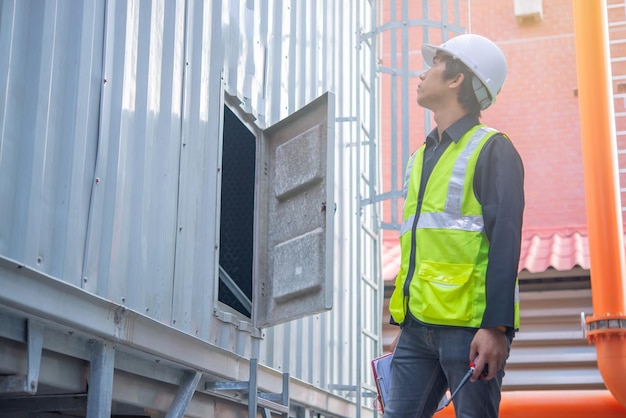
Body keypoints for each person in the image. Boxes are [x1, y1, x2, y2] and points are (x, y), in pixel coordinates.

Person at [385, 33, 525, 418]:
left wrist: (496, 328)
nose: (422, 72)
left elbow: (506, 242)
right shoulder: (420, 157)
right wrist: (406, 320)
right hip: (417, 328)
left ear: (456, 79)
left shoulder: (493, 149)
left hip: (470, 330)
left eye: (434, 65)